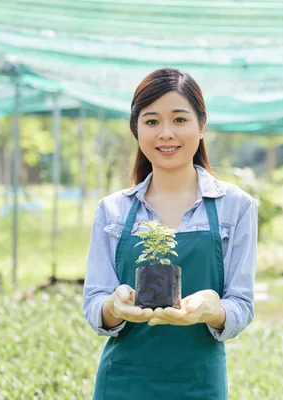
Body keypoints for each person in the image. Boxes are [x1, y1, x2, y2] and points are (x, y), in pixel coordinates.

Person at [82, 68, 258, 400]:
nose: (166, 133)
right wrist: (114, 307)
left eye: (179, 120)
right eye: (151, 122)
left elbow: (242, 304)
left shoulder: (236, 207)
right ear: (136, 129)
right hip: (123, 381)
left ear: (201, 125)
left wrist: (213, 309)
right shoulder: (112, 210)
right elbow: (94, 303)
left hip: (199, 381)